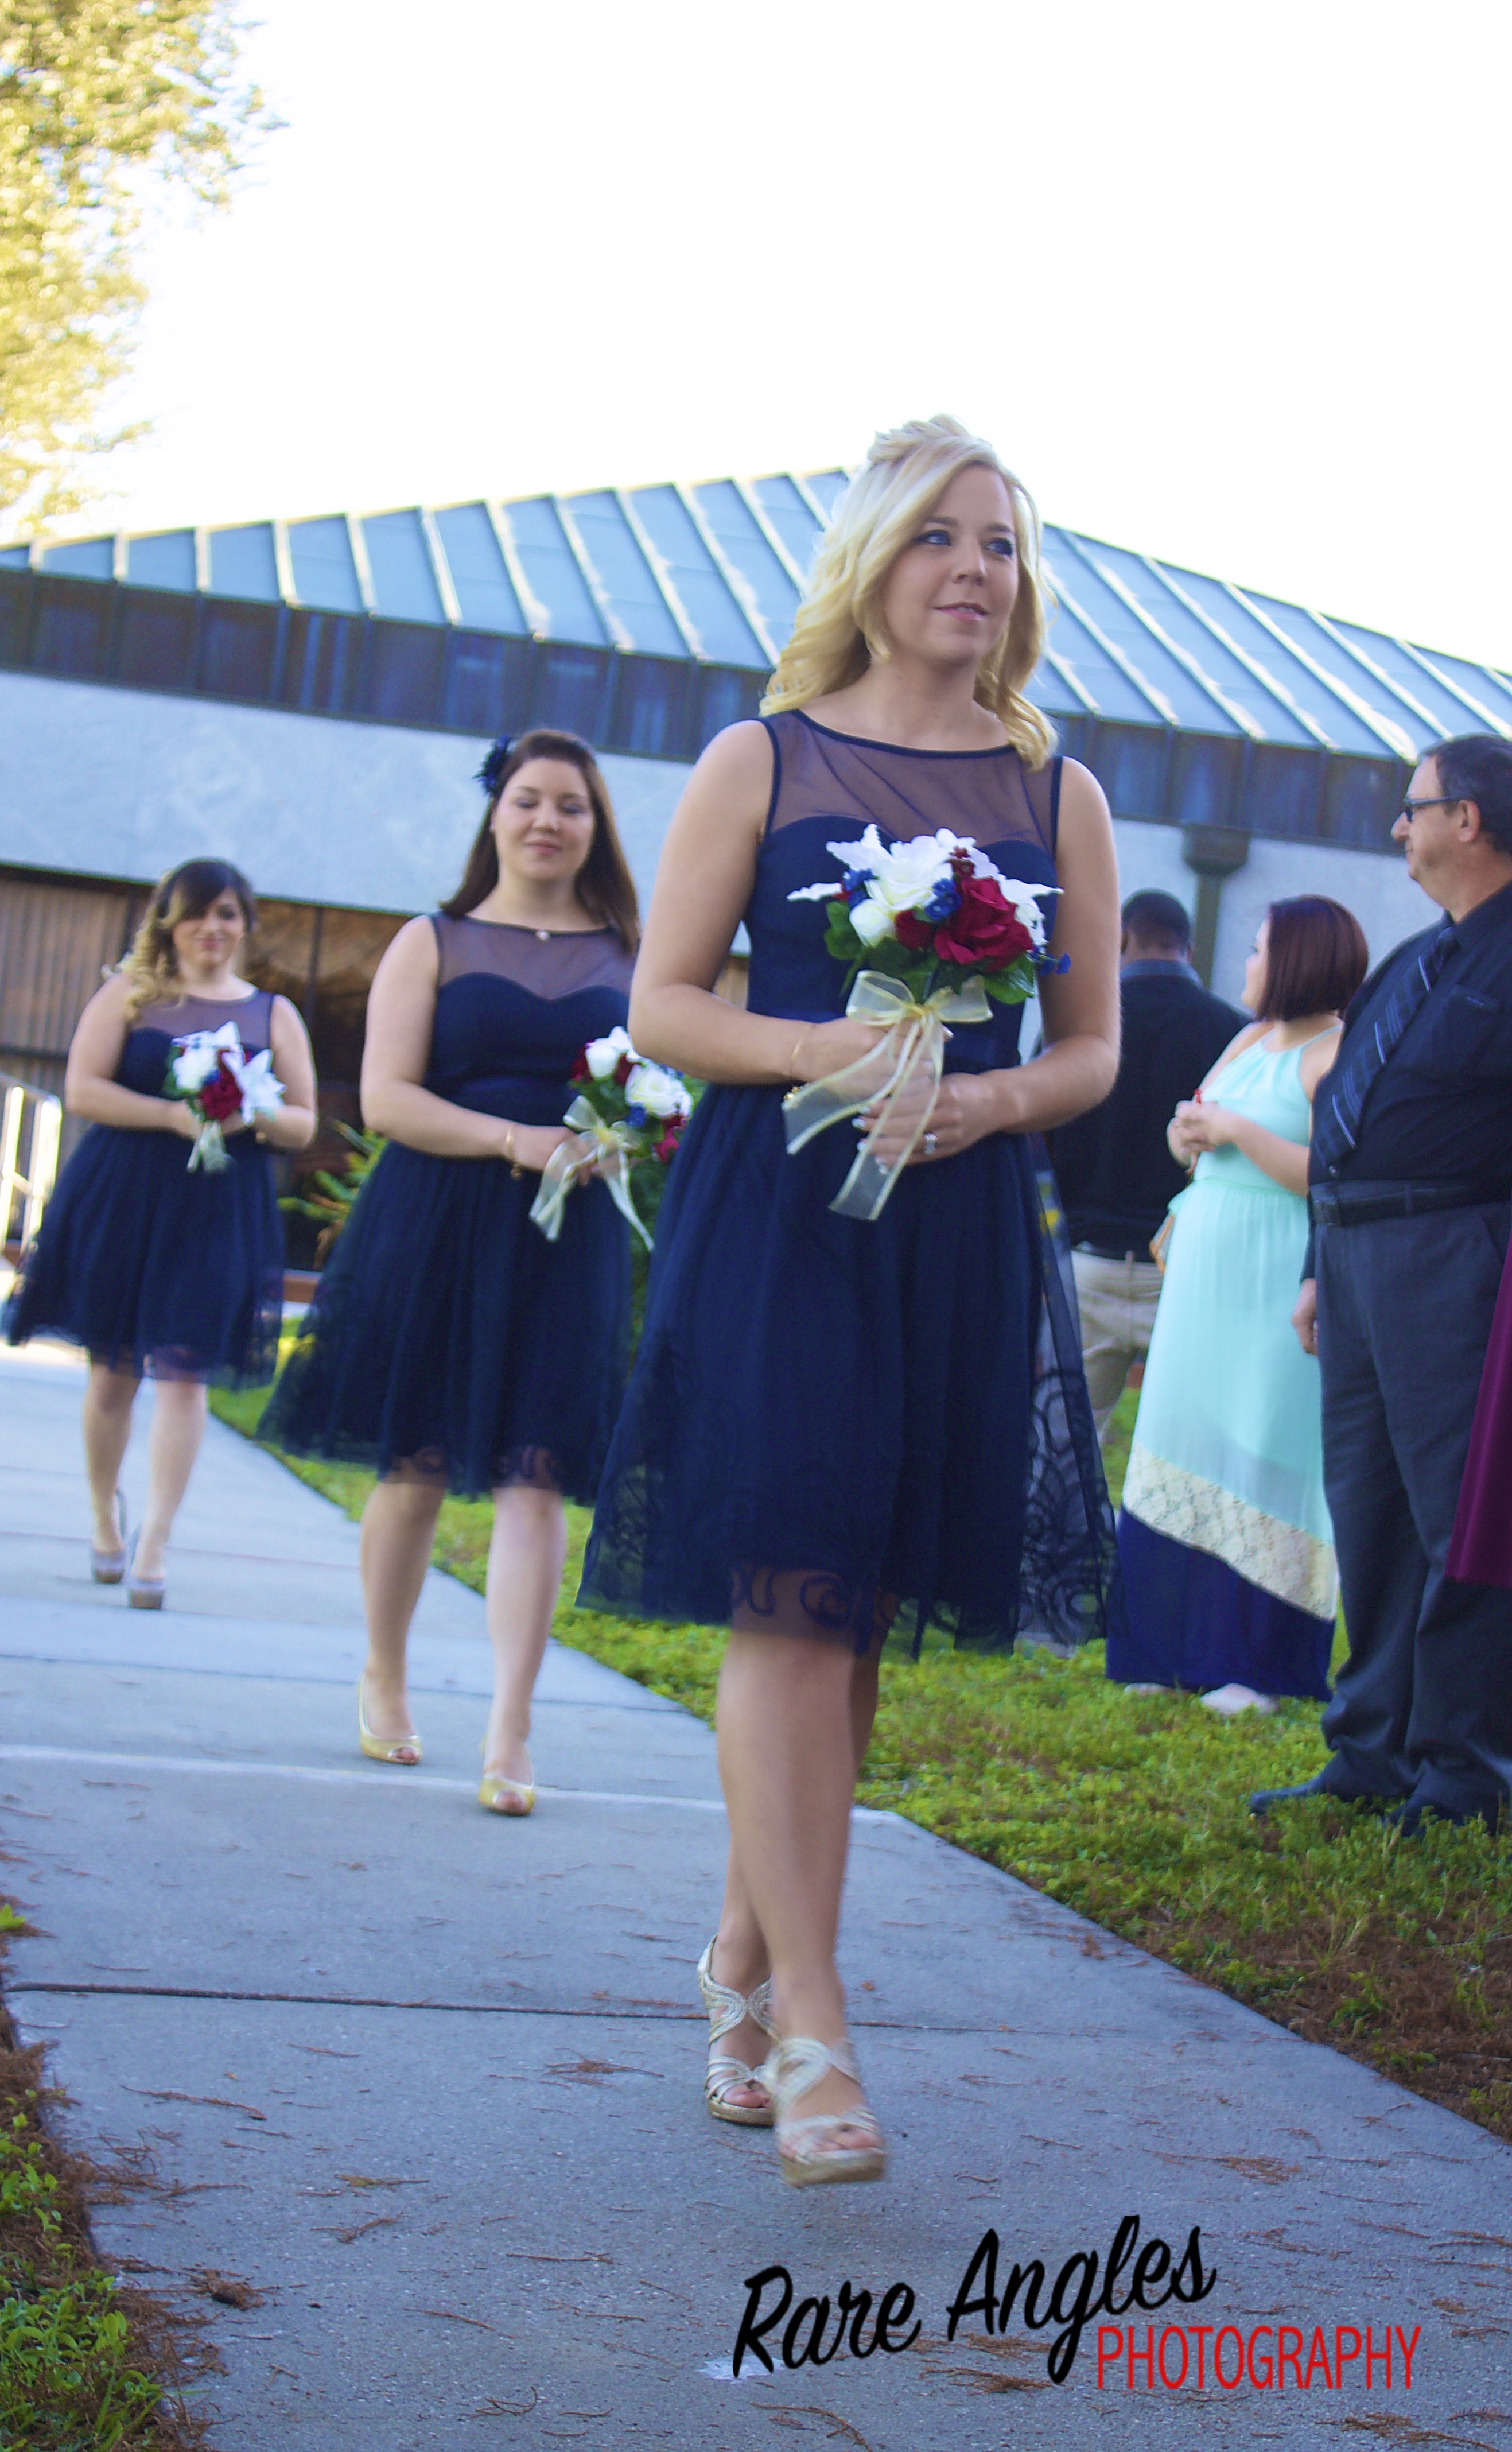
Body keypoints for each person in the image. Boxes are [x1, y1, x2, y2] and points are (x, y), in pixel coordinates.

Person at [578, 416, 1119, 2186]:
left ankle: (737, 1952)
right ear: (872, 562)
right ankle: (812, 2016)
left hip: (955, 1231)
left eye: (1003, 544)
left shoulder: (1058, 795)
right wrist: (832, 1047)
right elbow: (663, 1005)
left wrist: (976, 1095)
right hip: (781, 1217)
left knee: (857, 1606)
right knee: (790, 1602)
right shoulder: (765, 757)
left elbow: (1093, 1048)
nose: (976, 567)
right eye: (940, 537)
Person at [261, 730, 638, 1813]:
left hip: (569, 1233)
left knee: (538, 1473)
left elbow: (667, 1072)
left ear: (594, 826)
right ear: (495, 814)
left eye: (571, 805)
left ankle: (510, 1730)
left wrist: (638, 1128)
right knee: (414, 1462)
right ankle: (383, 1669)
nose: (547, 821)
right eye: (528, 800)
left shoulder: (630, 950)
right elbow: (384, 1100)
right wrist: (512, 1141)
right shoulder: (432, 940)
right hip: (435, 1218)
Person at [1253, 736, 1512, 1835]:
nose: (1396, 830)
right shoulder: (1416, 958)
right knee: (1369, 1513)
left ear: (1468, 817)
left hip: (1455, 1254)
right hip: (1356, 1259)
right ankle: (1370, 1751)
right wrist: (1319, 1267)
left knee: (1459, 1517)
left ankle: (1463, 1772)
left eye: (1411, 809)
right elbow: (1342, 1123)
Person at [1, 859, 318, 1605]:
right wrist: (172, 1115)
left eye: (228, 915)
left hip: (219, 1207)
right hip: (125, 1197)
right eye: (197, 915)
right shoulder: (130, 996)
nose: (213, 929)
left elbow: (304, 1123)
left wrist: (250, 1113)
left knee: (185, 1373)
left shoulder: (273, 1014)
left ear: (246, 925)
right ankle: (104, 1517)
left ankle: (156, 1542)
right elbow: (83, 1089)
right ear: (169, 923)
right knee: (112, 1371)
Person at [1106, 898, 1366, 1713]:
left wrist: (1231, 1130)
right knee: (1181, 1433)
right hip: (1206, 1254)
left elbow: (1330, 1170)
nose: (1248, 965)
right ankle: (1160, 1646)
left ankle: (1258, 1666)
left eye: (1257, 951)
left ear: (1294, 960)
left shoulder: (1337, 1053)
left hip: (1277, 1259)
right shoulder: (1249, 1037)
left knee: (1264, 1441)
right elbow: (1200, 1127)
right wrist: (1188, 1136)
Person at [1050, 890, 1245, 1435]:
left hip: (1086, 1263)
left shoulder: (1077, 1031)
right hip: (1185, 1269)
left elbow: (1042, 1147)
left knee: (1056, 1454)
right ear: (1191, 947)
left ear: (1121, 940)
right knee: (1189, 1457)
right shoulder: (1232, 1031)